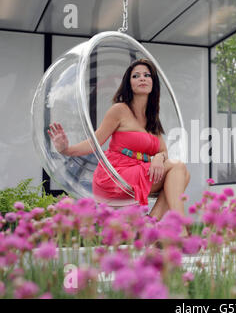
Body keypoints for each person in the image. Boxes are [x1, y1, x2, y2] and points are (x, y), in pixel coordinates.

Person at [47, 58, 190, 226]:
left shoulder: (152, 119)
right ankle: (181, 228)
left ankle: (150, 226)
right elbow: (95, 142)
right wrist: (66, 150)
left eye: (147, 75)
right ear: (129, 84)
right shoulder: (119, 110)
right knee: (178, 167)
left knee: (181, 175)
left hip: (139, 172)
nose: (142, 78)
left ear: (153, 83)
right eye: (136, 76)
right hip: (115, 176)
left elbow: (164, 152)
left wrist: (158, 158)